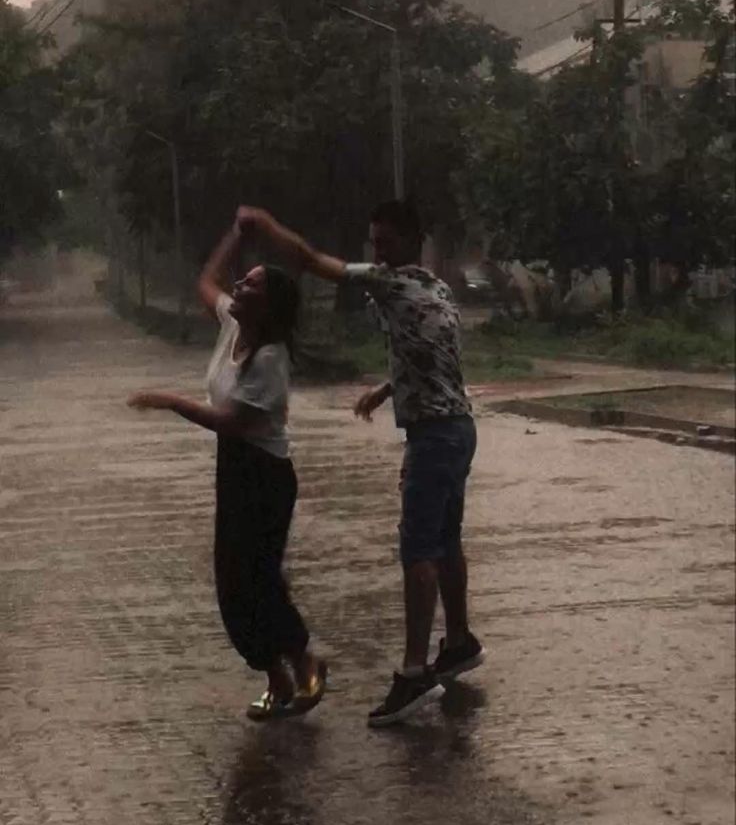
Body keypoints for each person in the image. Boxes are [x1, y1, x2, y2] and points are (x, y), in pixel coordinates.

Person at [237, 199, 484, 728]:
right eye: (374, 243)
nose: (378, 252)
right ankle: (458, 640)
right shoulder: (435, 288)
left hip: (436, 437)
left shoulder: (389, 282)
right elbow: (432, 358)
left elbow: (308, 259)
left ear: (410, 241)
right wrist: (386, 390)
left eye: (385, 242)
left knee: (417, 551)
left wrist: (266, 225)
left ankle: (415, 672)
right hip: (459, 428)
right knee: (446, 540)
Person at [127, 215, 326, 722]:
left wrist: (169, 401)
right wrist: (235, 238)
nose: (239, 286)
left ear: (270, 305)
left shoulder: (271, 359)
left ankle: (302, 662)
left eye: (252, 284)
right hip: (234, 472)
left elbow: (234, 423)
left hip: (265, 476)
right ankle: (275, 676)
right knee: (231, 583)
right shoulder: (234, 324)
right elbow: (205, 282)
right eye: (244, 279)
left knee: (257, 579)